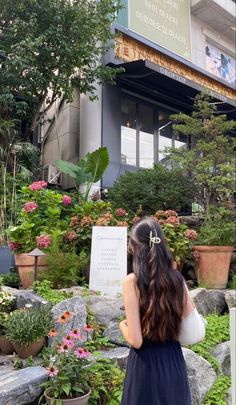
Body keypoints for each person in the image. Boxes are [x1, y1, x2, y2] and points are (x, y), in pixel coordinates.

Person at [119, 217, 206, 405]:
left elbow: (136, 340)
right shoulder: (176, 279)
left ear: (135, 247)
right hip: (173, 362)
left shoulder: (132, 282)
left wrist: (122, 325)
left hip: (145, 368)